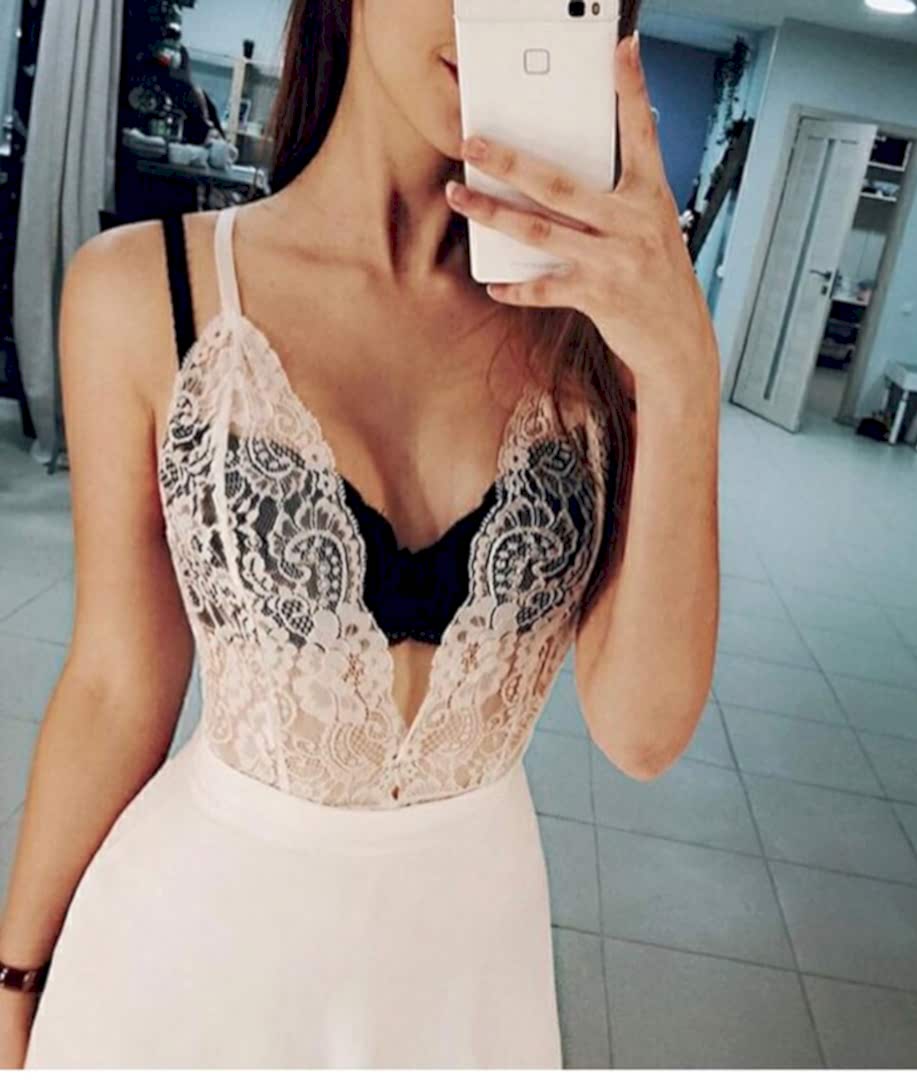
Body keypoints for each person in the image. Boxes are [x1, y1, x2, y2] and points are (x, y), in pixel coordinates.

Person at [0, 0, 720, 1067]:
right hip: (187, 954)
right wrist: (16, 977)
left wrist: (684, 371)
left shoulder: (601, 332)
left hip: (467, 967)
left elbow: (643, 734)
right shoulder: (144, 290)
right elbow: (116, 681)